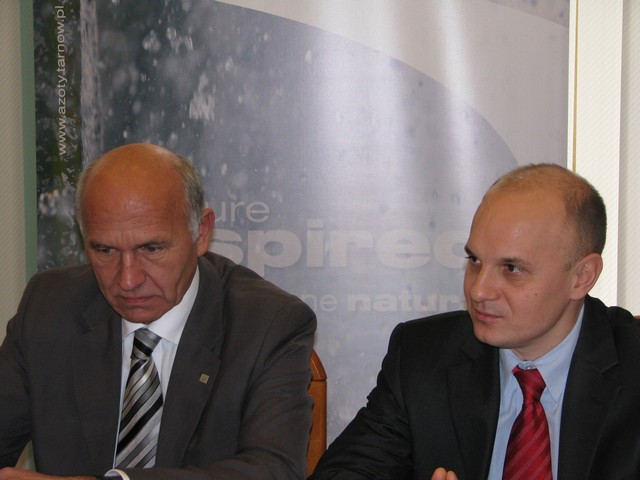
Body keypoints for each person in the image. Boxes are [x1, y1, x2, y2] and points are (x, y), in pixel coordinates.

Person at [0, 143, 317, 480]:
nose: (128, 280)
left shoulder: (267, 324)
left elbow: (273, 470)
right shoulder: (49, 306)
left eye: (151, 249)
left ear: (201, 232)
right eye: (105, 250)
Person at [309, 163, 640, 480]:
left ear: (582, 276)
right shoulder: (423, 356)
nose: (478, 290)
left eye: (512, 268)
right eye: (475, 260)